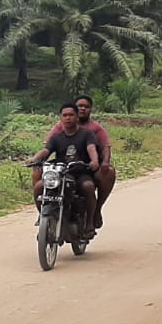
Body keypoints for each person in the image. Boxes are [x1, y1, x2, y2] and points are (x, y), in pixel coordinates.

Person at [28, 102, 101, 229]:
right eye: (65, 115)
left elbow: (91, 148)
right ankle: (43, 215)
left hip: (80, 172)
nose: (68, 118)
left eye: (71, 115)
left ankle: (90, 221)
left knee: (88, 186)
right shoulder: (56, 137)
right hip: (60, 172)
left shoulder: (87, 134)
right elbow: (46, 150)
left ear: (77, 117)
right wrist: (35, 158)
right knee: (39, 186)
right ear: (60, 118)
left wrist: (94, 161)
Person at [49, 93, 114, 228]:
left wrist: (102, 162)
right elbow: (47, 147)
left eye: (86, 107)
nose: (83, 109)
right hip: (64, 168)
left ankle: (96, 210)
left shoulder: (93, 130)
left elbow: (103, 147)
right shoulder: (60, 128)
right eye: (80, 106)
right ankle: (45, 213)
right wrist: (37, 160)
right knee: (38, 176)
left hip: (87, 167)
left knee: (106, 174)